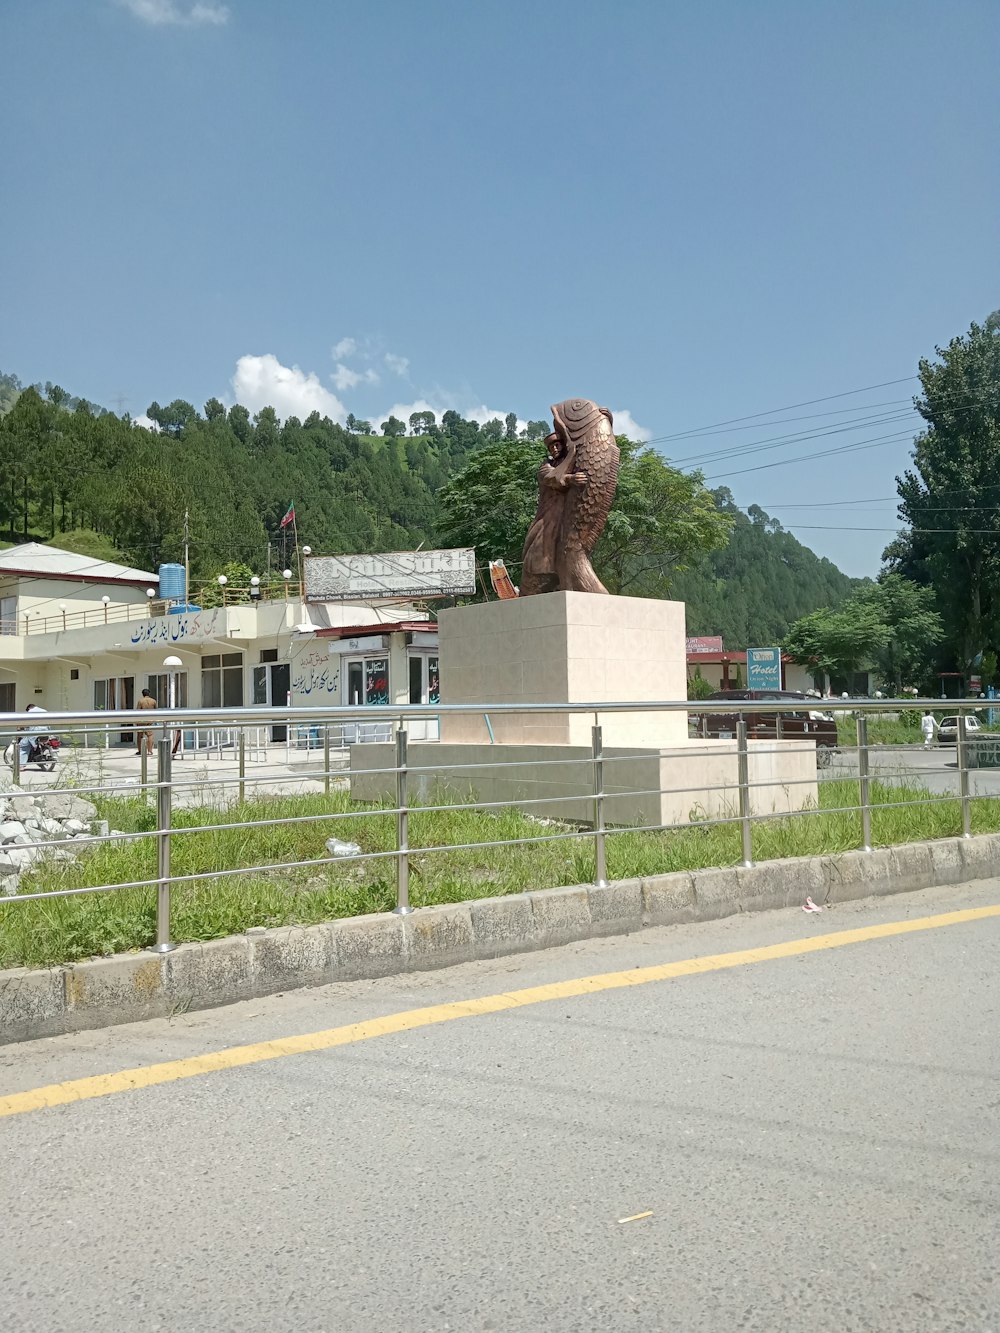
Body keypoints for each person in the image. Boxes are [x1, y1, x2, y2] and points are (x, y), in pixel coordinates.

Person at [135, 688, 157, 755]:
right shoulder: (153, 701)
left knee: (140, 735)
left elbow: (138, 711)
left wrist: (136, 721)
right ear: (149, 694)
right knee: (150, 735)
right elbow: (156, 711)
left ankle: (140, 750)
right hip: (149, 720)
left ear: (142, 694)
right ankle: (150, 751)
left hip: (141, 720)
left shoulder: (140, 701)